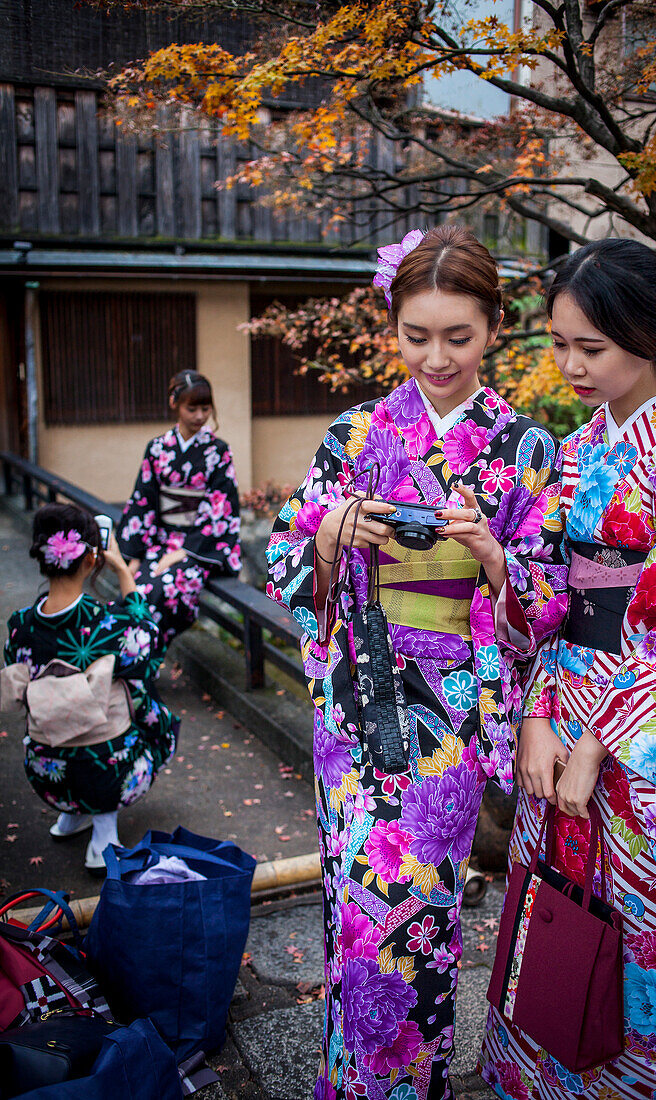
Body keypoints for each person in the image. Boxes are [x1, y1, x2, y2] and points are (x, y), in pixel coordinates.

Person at [266, 225, 568, 1099]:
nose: (435, 357)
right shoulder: (355, 432)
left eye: (458, 336)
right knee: (353, 920)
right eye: (415, 335)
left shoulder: (526, 448)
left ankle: (406, 1084)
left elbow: (547, 599)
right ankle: (354, 1082)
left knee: (422, 920)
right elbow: (289, 556)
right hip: (356, 707)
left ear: (493, 329)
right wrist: (328, 534)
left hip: (449, 717)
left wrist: (492, 556)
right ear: (391, 325)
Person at [478, 238, 656, 1099]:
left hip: (643, 724)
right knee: (551, 909)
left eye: (590, 346)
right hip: (564, 700)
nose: (570, 365)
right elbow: (549, 592)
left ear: (646, 337)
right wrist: (538, 718)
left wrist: (595, 743)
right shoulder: (580, 444)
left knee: (635, 932)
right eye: (558, 344)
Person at [1, 504, 179, 874]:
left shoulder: (19, 626)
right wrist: (119, 569)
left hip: (46, 774)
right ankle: (103, 834)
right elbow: (149, 645)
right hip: (108, 776)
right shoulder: (108, 622)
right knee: (143, 695)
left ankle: (70, 817)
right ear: (89, 561)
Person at [117, 370, 242, 657]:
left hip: (199, 547)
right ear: (174, 403)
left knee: (165, 588)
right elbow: (143, 500)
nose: (200, 416)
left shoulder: (217, 451)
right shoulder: (158, 448)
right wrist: (133, 554)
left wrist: (185, 550)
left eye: (205, 408)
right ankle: (131, 660)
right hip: (159, 542)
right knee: (134, 590)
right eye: (192, 408)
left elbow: (222, 508)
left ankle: (140, 660)